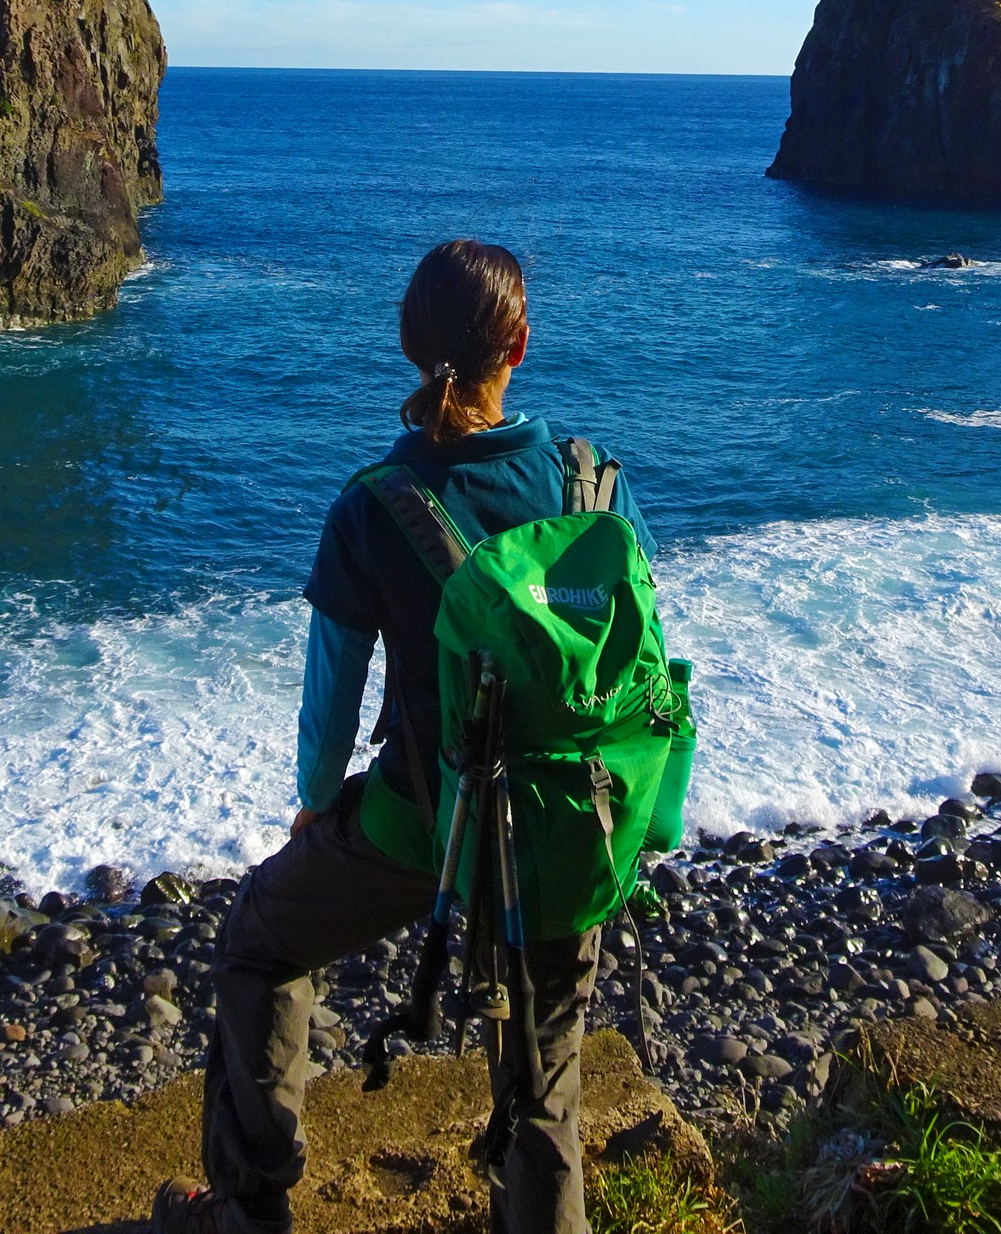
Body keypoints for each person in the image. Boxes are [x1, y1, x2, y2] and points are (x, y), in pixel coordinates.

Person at [154, 239, 657, 1234]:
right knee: (544, 1077)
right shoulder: (590, 485)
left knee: (259, 936)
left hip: (426, 826)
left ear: (405, 345)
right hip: (571, 823)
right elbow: (638, 667)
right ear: (521, 342)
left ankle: (248, 1207)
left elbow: (331, 699)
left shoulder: (372, 508)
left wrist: (312, 805)